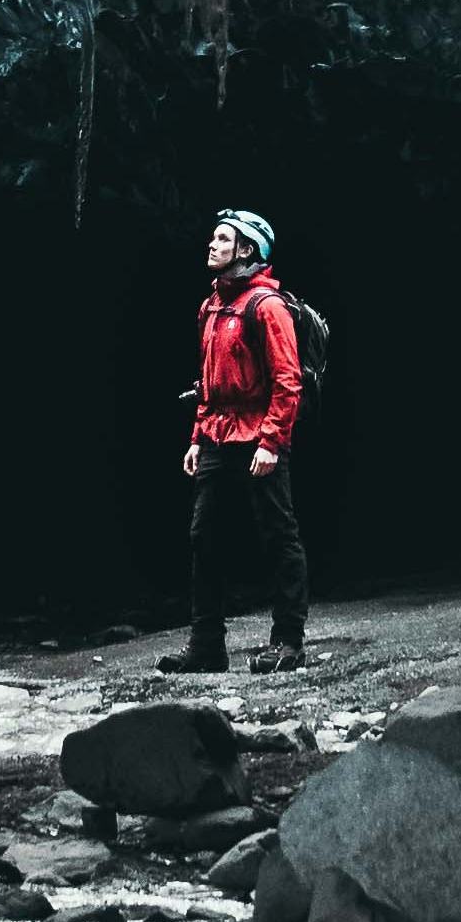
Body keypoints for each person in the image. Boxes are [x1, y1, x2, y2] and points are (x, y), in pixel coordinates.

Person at [161, 207, 308, 674]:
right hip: (218, 438)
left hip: (259, 435)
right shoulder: (211, 305)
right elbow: (208, 382)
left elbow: (288, 379)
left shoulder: (267, 307)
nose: (211, 245)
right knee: (205, 537)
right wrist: (197, 437)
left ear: (245, 249)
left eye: (222, 239)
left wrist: (271, 440)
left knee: (278, 536)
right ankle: (207, 647)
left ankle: (288, 641)